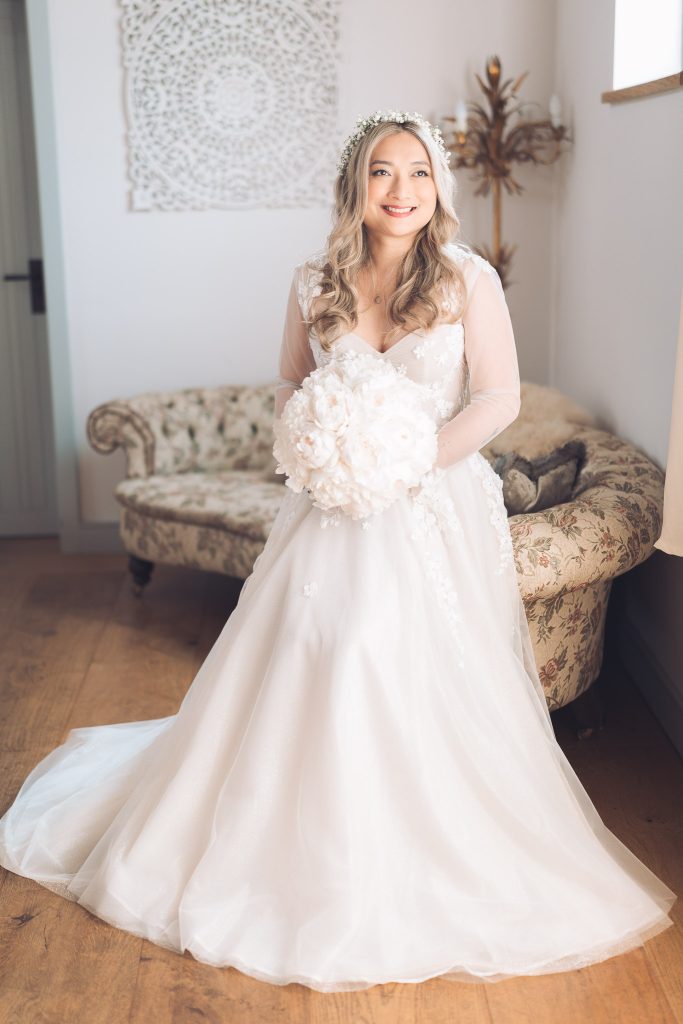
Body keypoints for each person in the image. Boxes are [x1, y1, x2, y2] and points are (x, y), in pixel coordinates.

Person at [0, 109, 676, 992]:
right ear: (355, 185)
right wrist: (316, 435)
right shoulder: (314, 278)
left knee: (397, 656)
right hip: (331, 504)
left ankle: (406, 846)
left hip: (430, 499)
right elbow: (289, 381)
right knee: (316, 650)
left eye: (418, 173)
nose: (400, 192)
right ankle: (291, 835)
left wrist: (410, 461)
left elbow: (500, 397)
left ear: (439, 186)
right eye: (382, 173)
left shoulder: (468, 279)